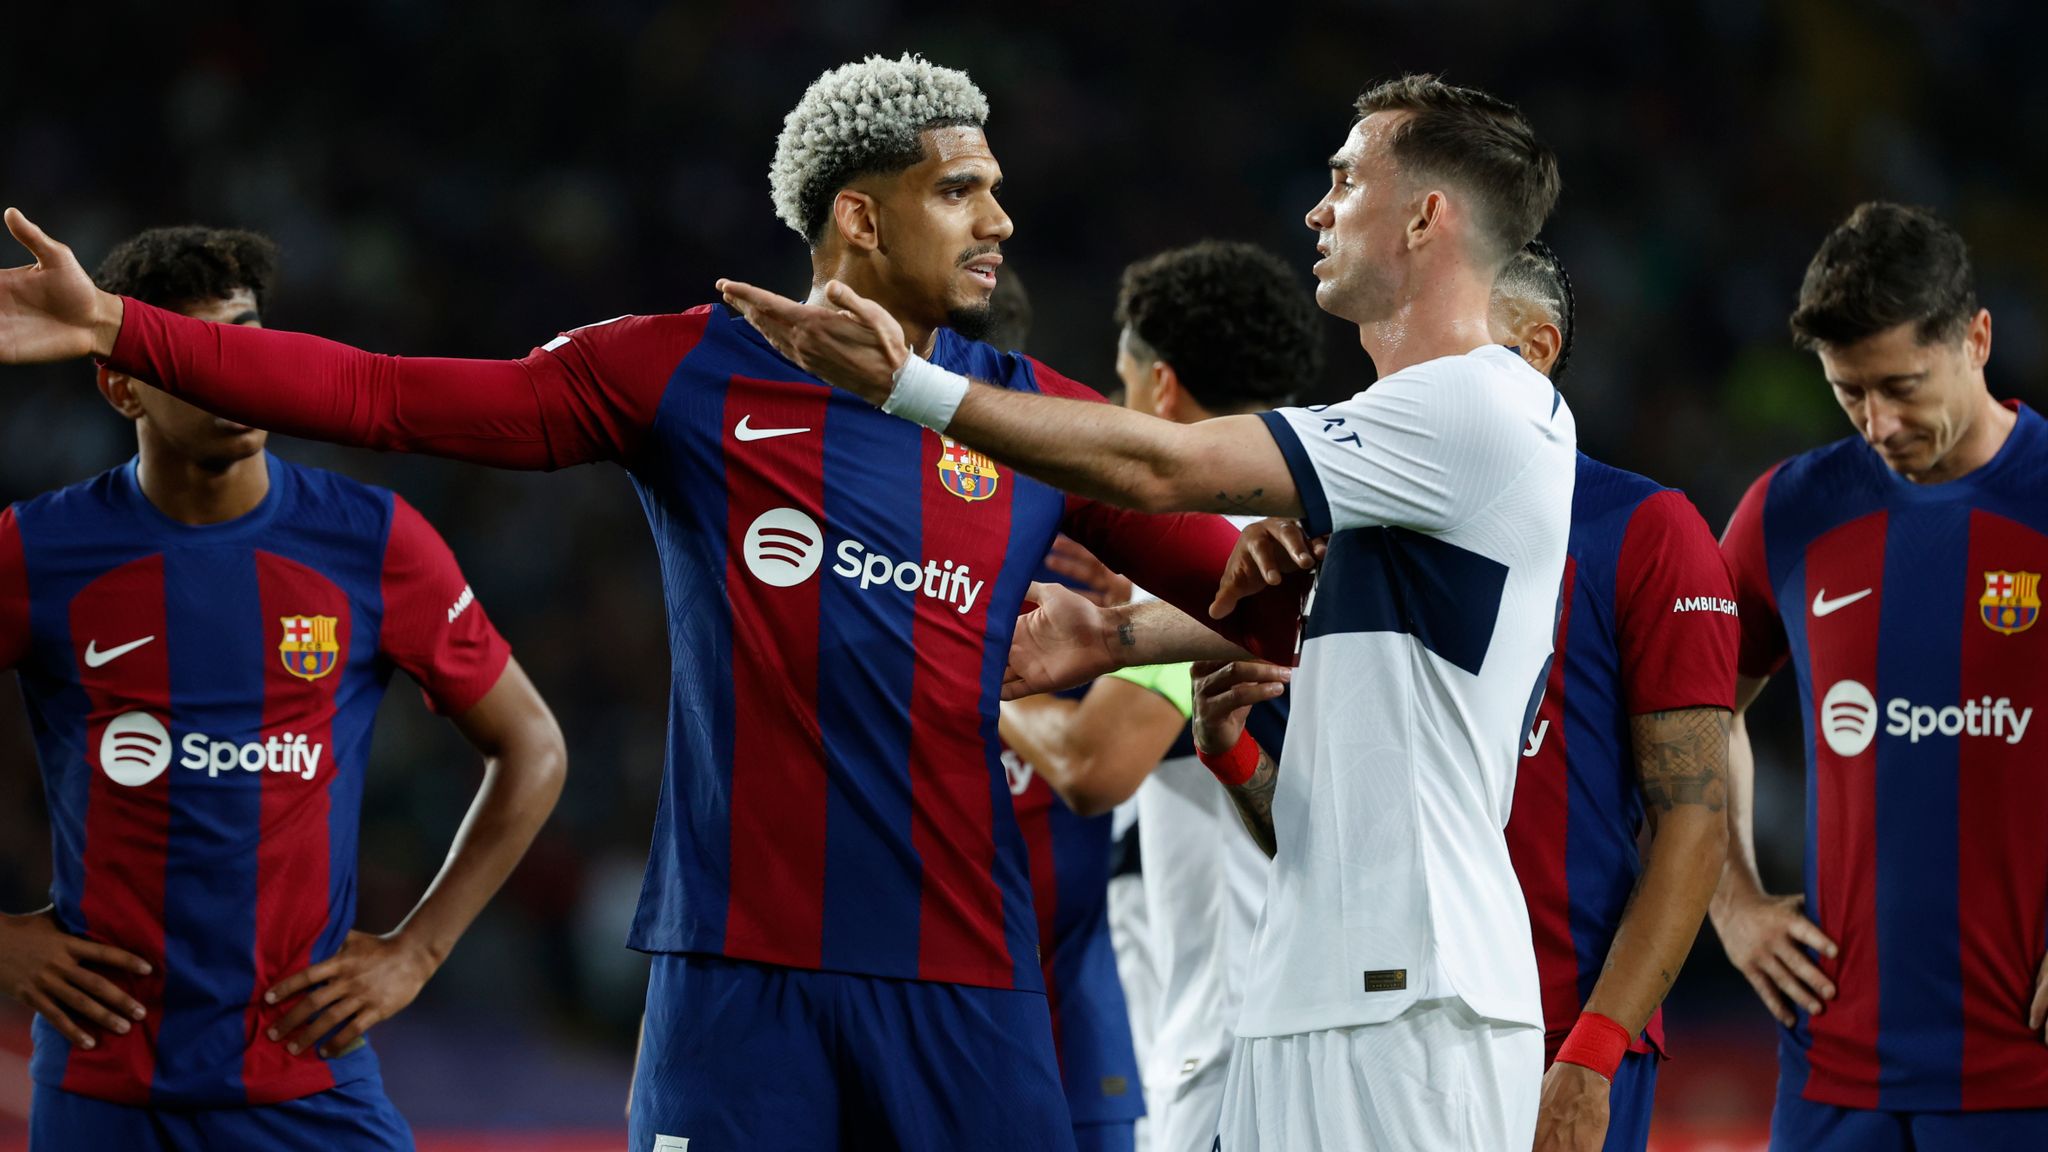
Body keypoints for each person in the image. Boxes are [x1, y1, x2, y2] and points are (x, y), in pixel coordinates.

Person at [0, 55, 1298, 1151]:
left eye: (998, 191)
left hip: (962, 972)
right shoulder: (678, 374)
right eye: (961, 190)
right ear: (858, 215)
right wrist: (117, 322)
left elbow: (1259, 610)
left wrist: (1125, 633)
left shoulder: (1033, 422)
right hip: (729, 975)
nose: (1000, 220)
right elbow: (385, 394)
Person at [723, 73, 1572, 1149]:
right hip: (1318, 986)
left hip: (1412, 995)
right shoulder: (1398, 456)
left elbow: (1163, 468)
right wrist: (1115, 636)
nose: (1316, 209)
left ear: (1423, 215)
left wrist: (909, 390)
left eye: (1344, 180)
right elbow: (1334, 647)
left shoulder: (1479, 401)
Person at [0, 226, 566, 1149]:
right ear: (122, 383)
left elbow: (533, 747)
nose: (232, 370)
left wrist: (416, 951)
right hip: (105, 1090)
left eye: (246, 337)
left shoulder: (373, 540)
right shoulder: (40, 551)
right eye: (191, 348)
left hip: (309, 1085)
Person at [1204, 240, 1737, 1151]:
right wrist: (1230, 750)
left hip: (1564, 1037)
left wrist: (1594, 1053)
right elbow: (1322, 837)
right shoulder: (1345, 529)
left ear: (1532, 350)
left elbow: (1692, 821)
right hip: (1360, 1013)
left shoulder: (1645, 530)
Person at [1714, 202, 2048, 1149]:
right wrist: (1730, 901)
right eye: (1849, 392)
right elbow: (1694, 711)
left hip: (2027, 1069)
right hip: (1831, 1069)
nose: (1881, 423)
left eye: (1904, 385)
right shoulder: (1790, 509)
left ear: (1977, 339)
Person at [996, 240, 1316, 1152]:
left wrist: (964, 669)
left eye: (1123, 381)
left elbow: (1098, 765)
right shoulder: (1306, 530)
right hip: (1297, 999)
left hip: (1229, 1033)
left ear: (1163, 390)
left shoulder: (1210, 552)